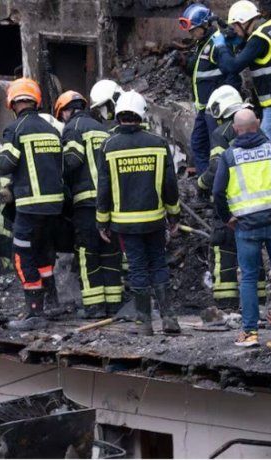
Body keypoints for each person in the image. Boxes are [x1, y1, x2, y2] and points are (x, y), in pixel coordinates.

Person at [213, 109, 271, 347]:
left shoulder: (229, 156)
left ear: (235, 129)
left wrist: (227, 218)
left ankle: (251, 333)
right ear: (257, 124)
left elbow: (216, 192)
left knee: (249, 278)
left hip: (246, 225)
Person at [96, 90, 181, 335]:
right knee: (158, 264)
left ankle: (144, 323)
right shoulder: (158, 143)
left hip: (125, 224)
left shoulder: (109, 146)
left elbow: (104, 189)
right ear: (142, 114)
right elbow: (170, 185)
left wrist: (102, 221)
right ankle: (169, 319)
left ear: (119, 114)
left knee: (137, 268)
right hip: (154, 220)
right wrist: (173, 216)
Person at [0, 78, 64, 331]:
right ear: (36, 100)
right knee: (44, 251)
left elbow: (6, 165)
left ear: (12, 103)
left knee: (23, 255)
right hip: (54, 205)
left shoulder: (16, 129)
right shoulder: (52, 130)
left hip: (30, 205)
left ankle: (35, 312)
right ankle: (52, 302)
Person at [197, 85, 267, 308]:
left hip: (232, 201)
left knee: (224, 247)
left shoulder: (222, 133)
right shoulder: (258, 129)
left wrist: (201, 183)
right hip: (257, 202)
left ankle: (226, 302)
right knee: (253, 248)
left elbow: (216, 167)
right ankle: (259, 299)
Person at [56, 90, 123, 319]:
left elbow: (73, 160)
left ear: (66, 110)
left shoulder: (73, 128)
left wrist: (55, 173)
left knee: (87, 252)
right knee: (111, 250)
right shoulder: (102, 129)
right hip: (111, 202)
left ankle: (94, 307)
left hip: (86, 202)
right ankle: (114, 304)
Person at [212, 0, 271, 154]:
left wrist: (222, 46)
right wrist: (241, 43)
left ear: (244, 22)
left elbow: (232, 67)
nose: (234, 30)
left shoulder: (259, 39)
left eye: (235, 25)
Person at [179, 4, 241, 175]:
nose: (191, 33)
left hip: (216, 110)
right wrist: (184, 63)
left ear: (205, 25)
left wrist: (228, 105)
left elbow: (232, 73)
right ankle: (205, 184)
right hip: (204, 108)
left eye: (194, 29)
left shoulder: (216, 43)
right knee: (198, 144)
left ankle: (218, 185)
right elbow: (199, 70)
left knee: (218, 148)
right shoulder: (203, 43)